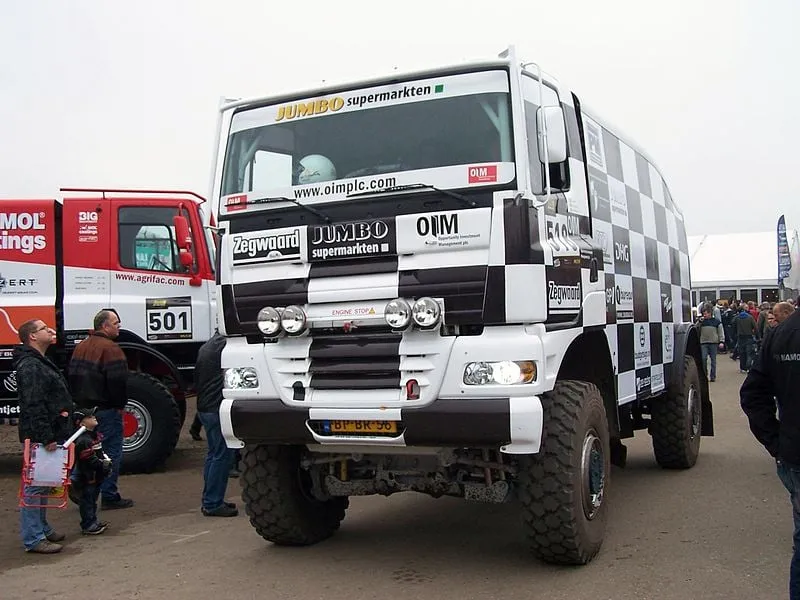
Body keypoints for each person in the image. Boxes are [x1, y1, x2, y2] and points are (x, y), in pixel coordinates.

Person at [740, 300, 800, 599]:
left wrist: (777, 442)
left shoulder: (781, 334)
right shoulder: (782, 334)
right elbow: (753, 394)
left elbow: (753, 393)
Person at [15, 318, 75, 554]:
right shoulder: (31, 366)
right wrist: (46, 435)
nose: (50, 330)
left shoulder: (38, 362)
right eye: (43, 329)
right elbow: (34, 404)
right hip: (40, 435)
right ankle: (33, 537)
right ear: (32, 336)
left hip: (47, 431)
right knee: (34, 486)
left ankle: (41, 528)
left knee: (42, 482)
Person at [68, 309, 133, 509]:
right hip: (106, 409)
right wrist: (119, 406)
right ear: (105, 326)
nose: (119, 326)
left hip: (84, 410)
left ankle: (77, 484)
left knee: (86, 451)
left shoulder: (81, 347)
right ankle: (109, 495)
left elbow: (71, 375)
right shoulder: (112, 349)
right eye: (116, 323)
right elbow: (118, 382)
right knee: (111, 452)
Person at [195, 332, 238, 517]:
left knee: (213, 454)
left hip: (205, 407)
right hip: (215, 407)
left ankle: (210, 500)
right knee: (222, 455)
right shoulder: (226, 348)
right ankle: (212, 502)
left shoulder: (207, 346)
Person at [68, 407, 112, 535]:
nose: (93, 417)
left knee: (92, 500)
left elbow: (98, 453)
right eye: (89, 417)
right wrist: (102, 464)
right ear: (81, 423)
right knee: (87, 501)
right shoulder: (84, 440)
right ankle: (88, 524)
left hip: (94, 475)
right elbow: (89, 459)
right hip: (87, 477)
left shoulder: (92, 437)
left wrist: (104, 461)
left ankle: (92, 521)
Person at [697, 308, 725, 382]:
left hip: (713, 342)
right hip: (703, 342)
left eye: (706, 313)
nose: (704, 315)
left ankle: (713, 376)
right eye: (703, 314)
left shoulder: (716, 322)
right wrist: (699, 322)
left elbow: (720, 331)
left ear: (710, 313)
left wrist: (721, 341)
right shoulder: (701, 322)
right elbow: (696, 328)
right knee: (703, 358)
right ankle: (704, 375)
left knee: (713, 360)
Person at [736, 304, 758, 373]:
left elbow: (733, 325)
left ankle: (742, 368)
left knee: (742, 353)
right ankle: (748, 367)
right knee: (749, 353)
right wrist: (757, 335)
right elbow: (755, 327)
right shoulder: (750, 317)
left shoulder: (737, 318)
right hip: (749, 336)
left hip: (740, 337)